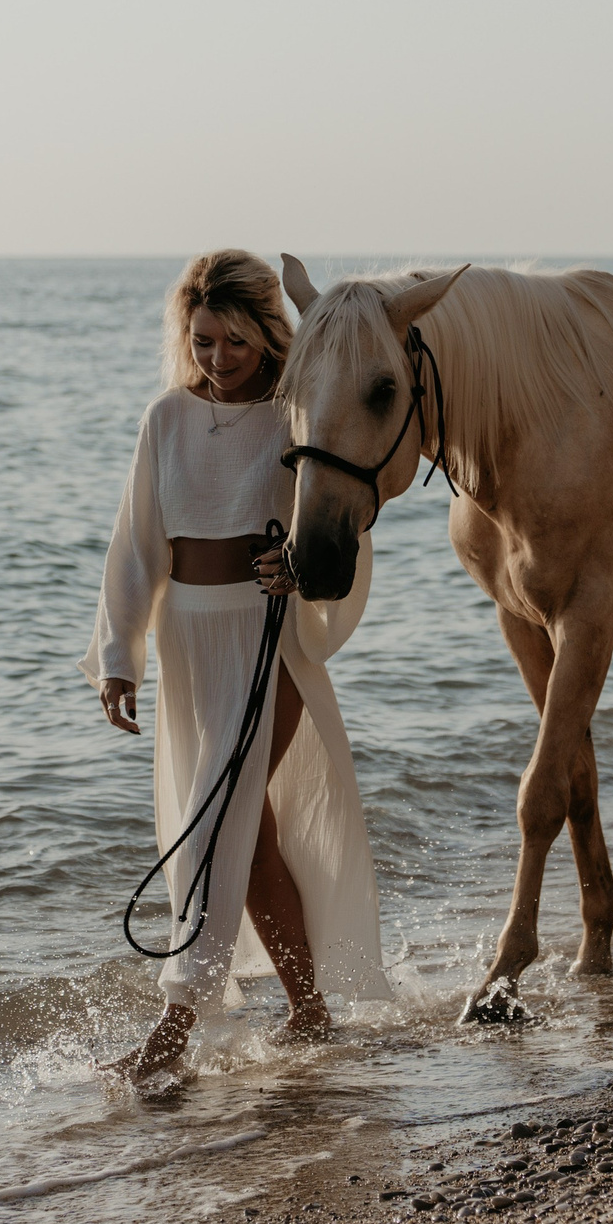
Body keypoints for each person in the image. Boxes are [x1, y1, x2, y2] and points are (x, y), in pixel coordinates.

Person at [81, 251, 391, 1080]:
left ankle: (173, 1028)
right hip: (187, 642)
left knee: (216, 826)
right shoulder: (166, 420)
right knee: (246, 841)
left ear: (268, 338)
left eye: (236, 343)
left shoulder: (293, 416)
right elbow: (136, 550)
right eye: (205, 340)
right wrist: (120, 659)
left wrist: (296, 568)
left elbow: (338, 532)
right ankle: (310, 1012)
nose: (218, 359)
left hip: (265, 644)